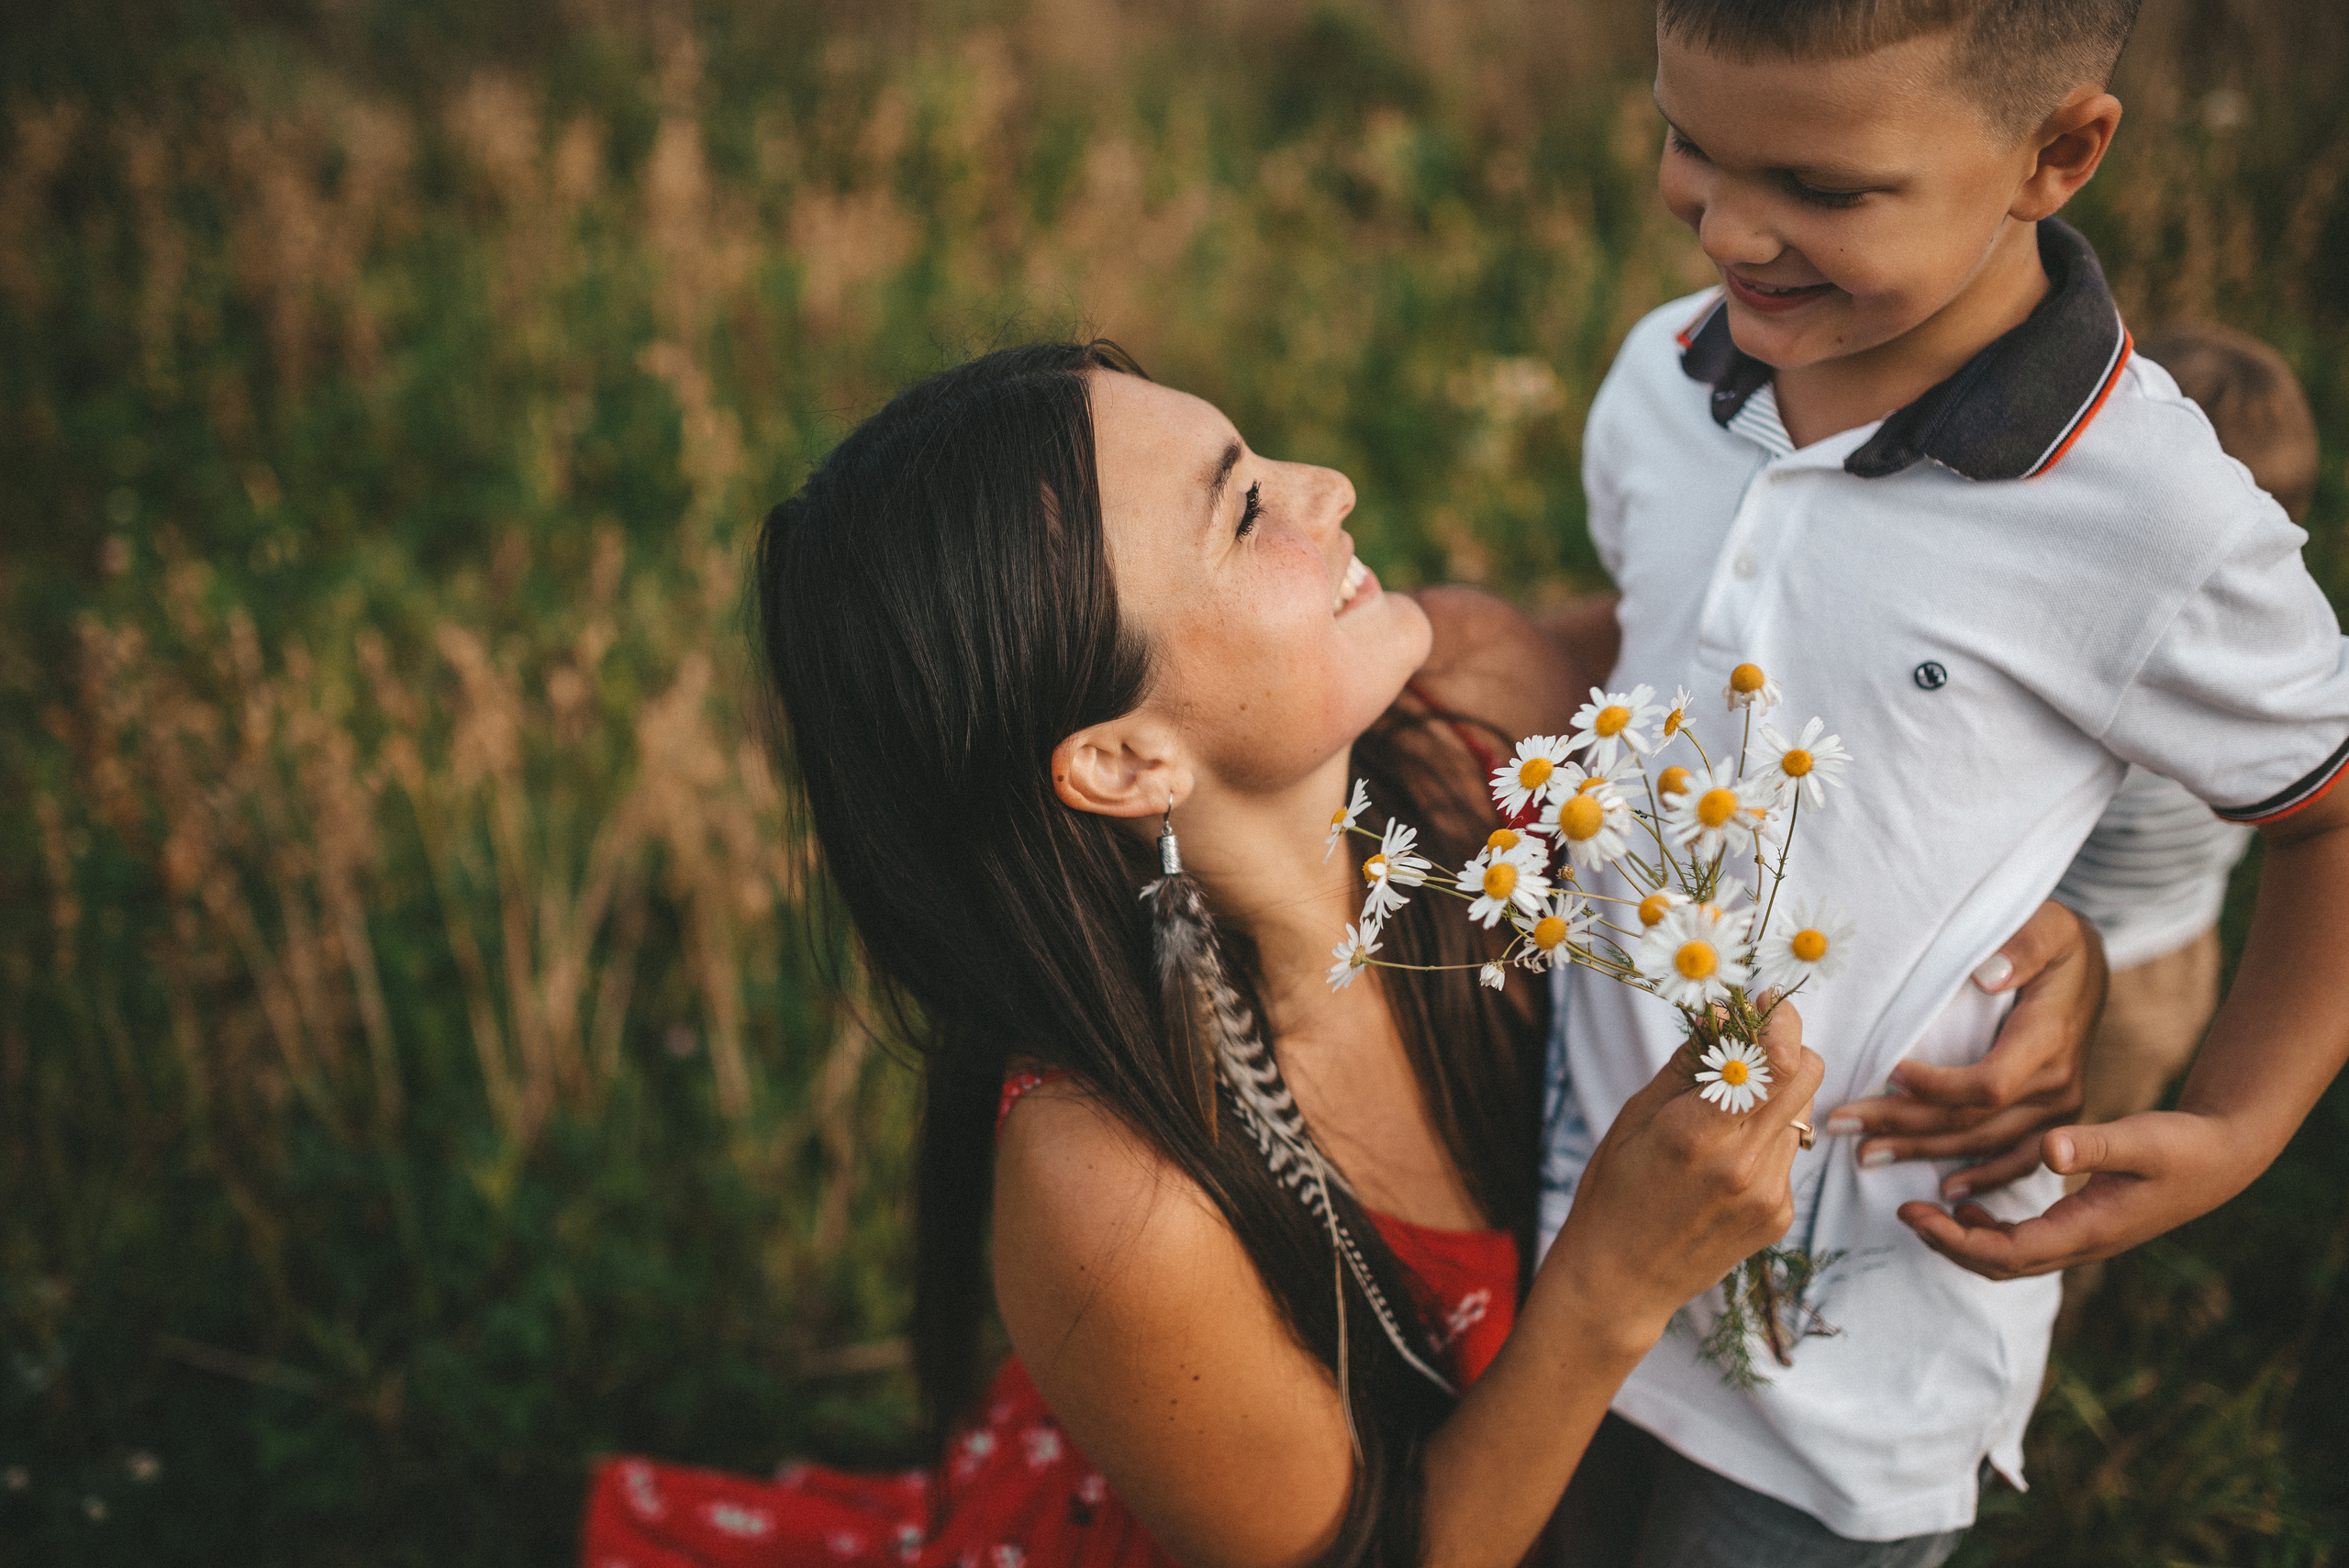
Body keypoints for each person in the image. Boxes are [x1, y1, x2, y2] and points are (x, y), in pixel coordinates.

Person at [576, 344, 2102, 1568]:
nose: (1330, 483)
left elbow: (1806, 756)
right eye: (1244, 510)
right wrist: (1610, 1284)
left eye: (1260, 454)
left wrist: (2024, 939)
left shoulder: (1482, 712)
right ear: (1122, 760)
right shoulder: (1118, 1192)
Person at [1536, 3, 2349, 1564]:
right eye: (1690, 141)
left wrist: (2243, 1120)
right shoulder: (1661, 376)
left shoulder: (2149, 517)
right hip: (1568, 1250)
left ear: (2059, 153)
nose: (1736, 226)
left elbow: (2330, 808)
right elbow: (1663, 636)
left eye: (1828, 191)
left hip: (1848, 1373)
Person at [2049, 322, 2322, 1331]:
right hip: (2185, 949)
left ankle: (2052, 1301)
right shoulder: (2291, 652)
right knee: (2115, 1135)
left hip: (2085, 969)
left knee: (2059, 1160)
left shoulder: (2149, 666)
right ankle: (2075, 1283)